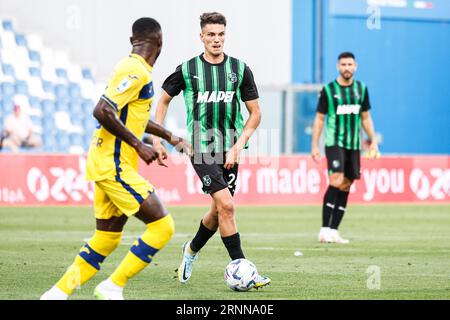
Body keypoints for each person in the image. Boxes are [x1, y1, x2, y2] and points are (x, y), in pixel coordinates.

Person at [40, 17, 190, 300]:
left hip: (105, 162)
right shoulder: (137, 70)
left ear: (133, 41)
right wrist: (138, 145)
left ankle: (57, 293)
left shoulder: (131, 67)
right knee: (162, 226)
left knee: (106, 238)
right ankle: (112, 286)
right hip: (114, 165)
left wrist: (171, 138)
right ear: (160, 43)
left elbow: (133, 117)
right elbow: (102, 110)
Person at [153, 12, 270, 289]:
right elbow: (163, 101)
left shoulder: (240, 70)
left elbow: (256, 113)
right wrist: (158, 139)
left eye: (220, 35)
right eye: (211, 35)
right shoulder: (188, 69)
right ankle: (244, 271)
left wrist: (238, 146)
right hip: (200, 149)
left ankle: (190, 250)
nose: (216, 40)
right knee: (227, 205)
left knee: (218, 212)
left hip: (230, 149)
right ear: (202, 36)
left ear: (224, 36)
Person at [311, 52, 379, 244]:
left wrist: (373, 140)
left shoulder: (361, 89)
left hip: (354, 145)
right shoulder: (328, 90)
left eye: (350, 64)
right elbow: (319, 119)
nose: (346, 67)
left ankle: (334, 230)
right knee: (336, 179)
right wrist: (314, 145)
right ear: (337, 66)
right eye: (343, 64)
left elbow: (365, 117)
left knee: (347, 183)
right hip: (334, 143)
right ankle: (324, 229)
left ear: (355, 66)